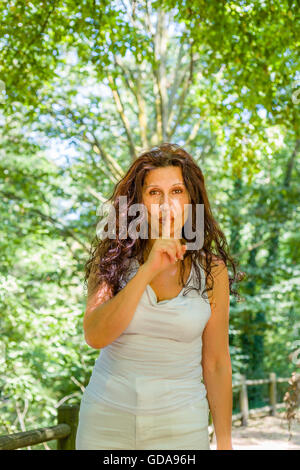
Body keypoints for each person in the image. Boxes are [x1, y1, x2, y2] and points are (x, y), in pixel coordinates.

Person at [75, 143, 242, 450]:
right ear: (139, 201)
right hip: (106, 421)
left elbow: (217, 362)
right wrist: (148, 269)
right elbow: (95, 335)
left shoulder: (210, 271)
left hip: (182, 425)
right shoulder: (112, 261)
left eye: (177, 191)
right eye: (154, 193)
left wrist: (225, 443)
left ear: (191, 199)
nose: (167, 204)